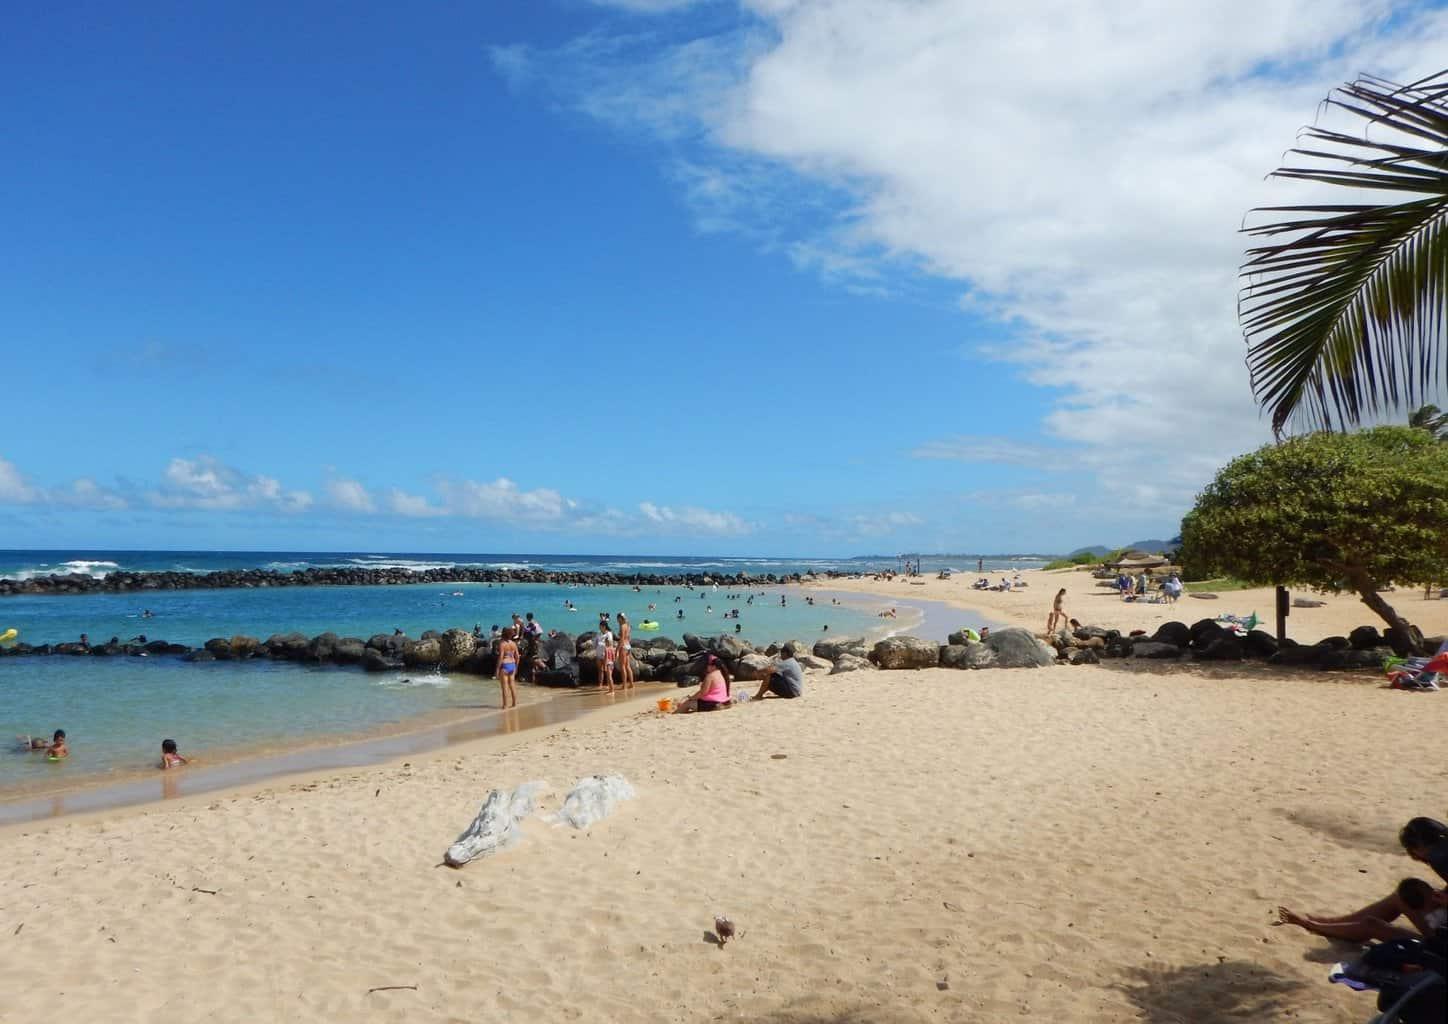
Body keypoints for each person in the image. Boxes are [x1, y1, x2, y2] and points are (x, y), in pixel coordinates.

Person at [1276, 878, 1446, 943]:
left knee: (1371, 925)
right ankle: (1331, 922)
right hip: (1441, 932)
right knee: (1402, 895)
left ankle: (1311, 924)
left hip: (1440, 947)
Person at [495, 627, 520, 709]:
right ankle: (514, 703)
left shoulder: (502, 644)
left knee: (504, 687)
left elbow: (501, 657)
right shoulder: (513, 643)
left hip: (505, 665)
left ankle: (505, 705)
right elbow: (517, 656)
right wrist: (516, 667)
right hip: (512, 665)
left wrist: (497, 669)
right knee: (512, 685)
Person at [595, 623, 616, 693]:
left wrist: (602, 644)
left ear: (604, 627)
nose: (600, 628)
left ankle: (608, 685)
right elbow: (596, 642)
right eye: (599, 626)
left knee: (607, 671)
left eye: (600, 627)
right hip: (599, 653)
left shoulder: (609, 634)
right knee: (600, 670)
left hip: (605, 654)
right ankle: (600, 684)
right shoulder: (598, 633)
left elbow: (610, 643)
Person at [616, 612, 634, 690]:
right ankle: (631, 684)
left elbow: (622, 639)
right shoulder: (628, 626)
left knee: (622, 666)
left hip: (623, 646)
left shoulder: (622, 626)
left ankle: (624, 685)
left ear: (620, 618)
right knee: (628, 666)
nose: (617, 620)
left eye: (617, 619)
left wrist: (617, 649)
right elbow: (628, 637)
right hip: (628, 646)